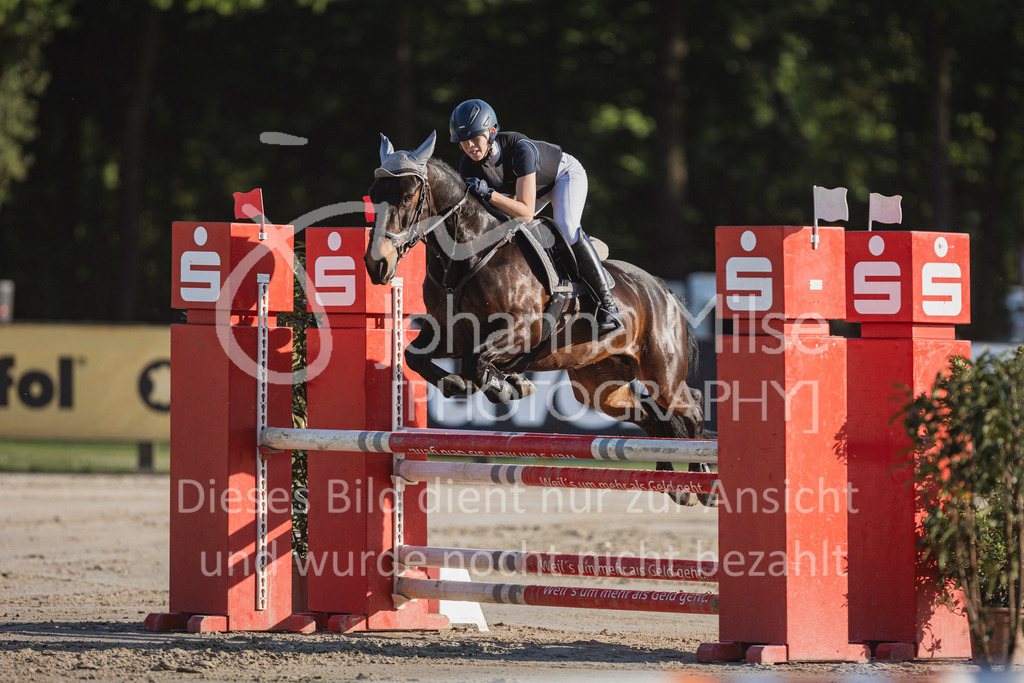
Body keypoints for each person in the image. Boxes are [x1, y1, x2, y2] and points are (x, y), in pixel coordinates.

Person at [448, 98, 622, 336]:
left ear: (491, 132)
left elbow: (526, 212)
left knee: (567, 227)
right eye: (462, 142)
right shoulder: (468, 164)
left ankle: (608, 307)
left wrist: (489, 194)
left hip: (563, 176)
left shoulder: (521, 149)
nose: (469, 146)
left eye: (474, 138)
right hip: (529, 191)